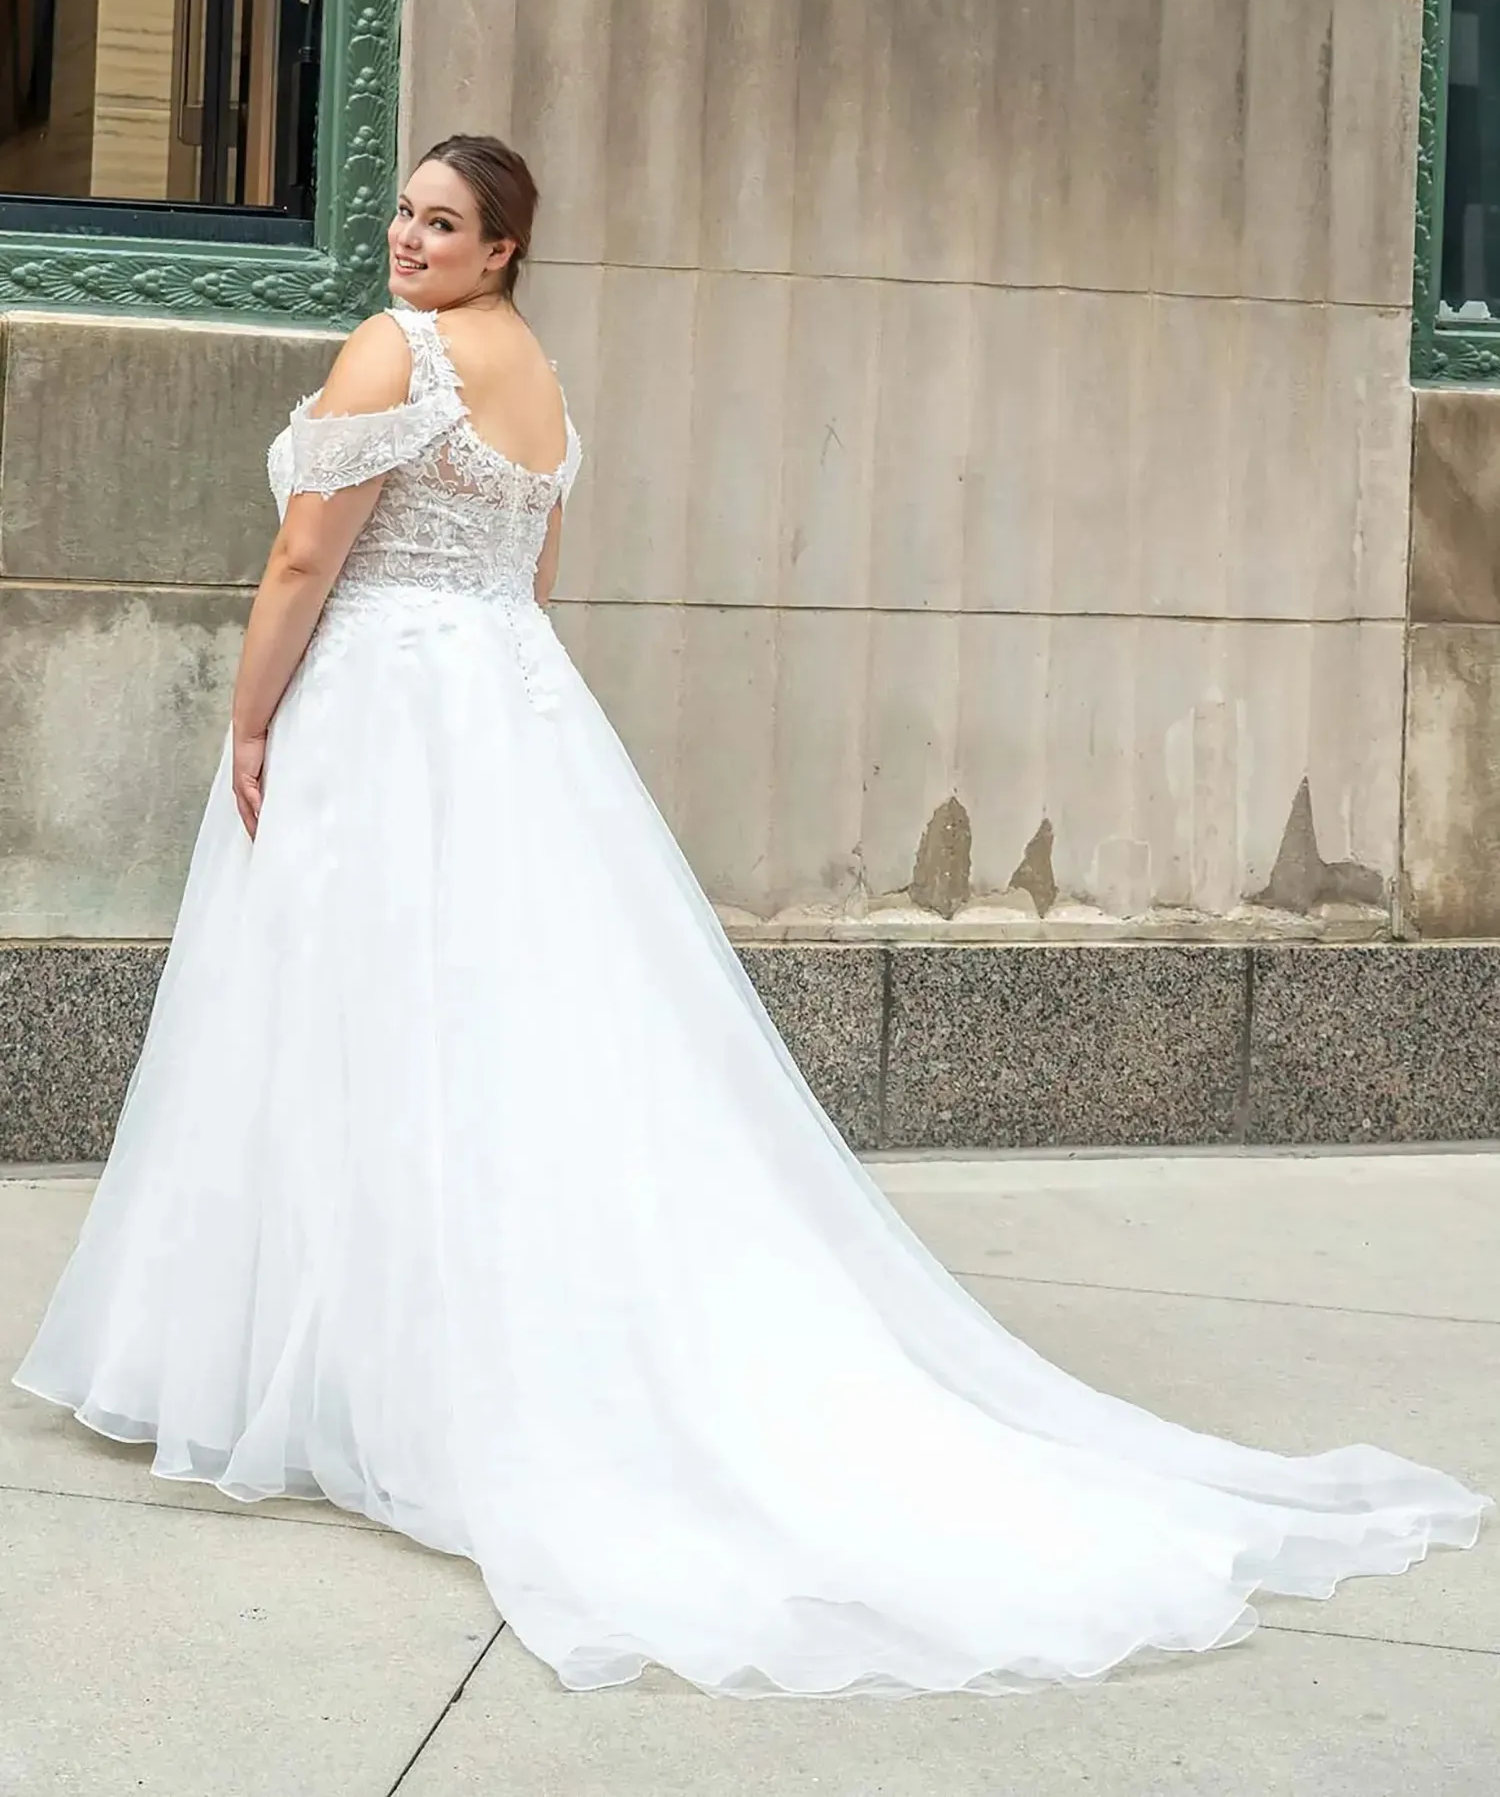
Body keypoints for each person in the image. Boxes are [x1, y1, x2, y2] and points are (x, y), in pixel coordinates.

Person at [15, 134, 1488, 1700]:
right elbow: (533, 576)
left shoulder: (402, 350)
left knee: (354, 1022)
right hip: (505, 713)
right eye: (404, 214)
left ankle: (348, 1369)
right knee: (500, 1036)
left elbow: (307, 550)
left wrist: (251, 719)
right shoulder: (537, 372)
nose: (405, 239)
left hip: (385, 704)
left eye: (443, 223)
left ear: (502, 246)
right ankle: (390, 1360)